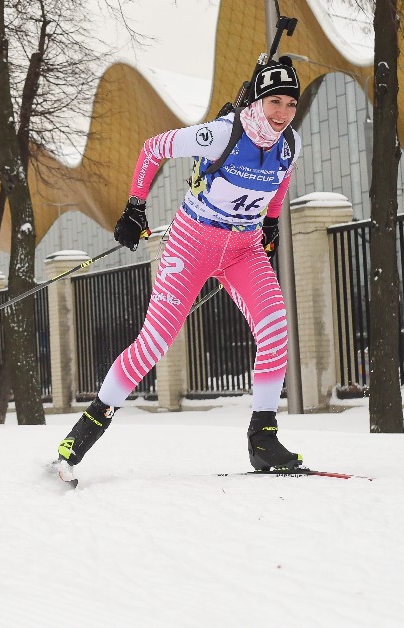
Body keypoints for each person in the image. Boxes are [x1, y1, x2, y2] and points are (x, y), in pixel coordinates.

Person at [54, 54, 305, 485]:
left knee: (276, 328)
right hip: (192, 245)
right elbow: (153, 148)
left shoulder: (290, 145)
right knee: (152, 345)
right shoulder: (223, 134)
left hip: (243, 249)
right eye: (274, 102)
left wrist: (268, 221)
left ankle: (263, 439)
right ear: (259, 100)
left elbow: (280, 180)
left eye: (290, 104)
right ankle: (82, 434)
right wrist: (135, 207)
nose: (282, 113)